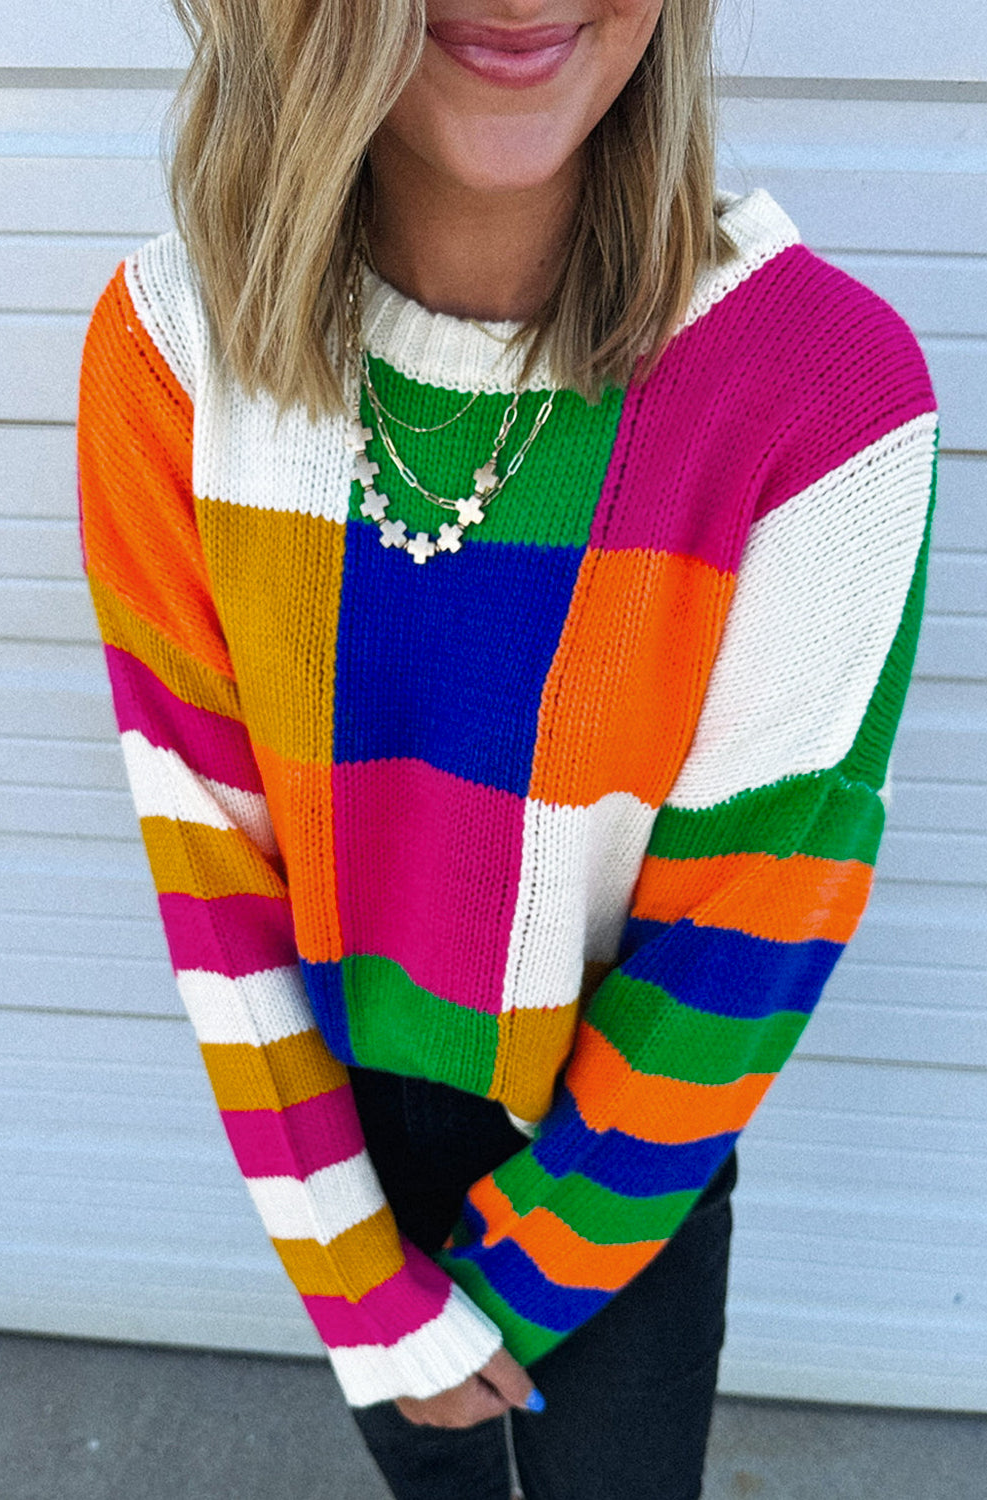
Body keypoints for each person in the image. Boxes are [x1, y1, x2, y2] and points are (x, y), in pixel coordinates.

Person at [76, 2, 938, 1496]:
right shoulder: (168, 355)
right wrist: (357, 1285)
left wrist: (523, 1282)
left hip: (626, 1152)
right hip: (338, 1153)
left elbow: (752, 912)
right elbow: (205, 856)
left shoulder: (819, 394)